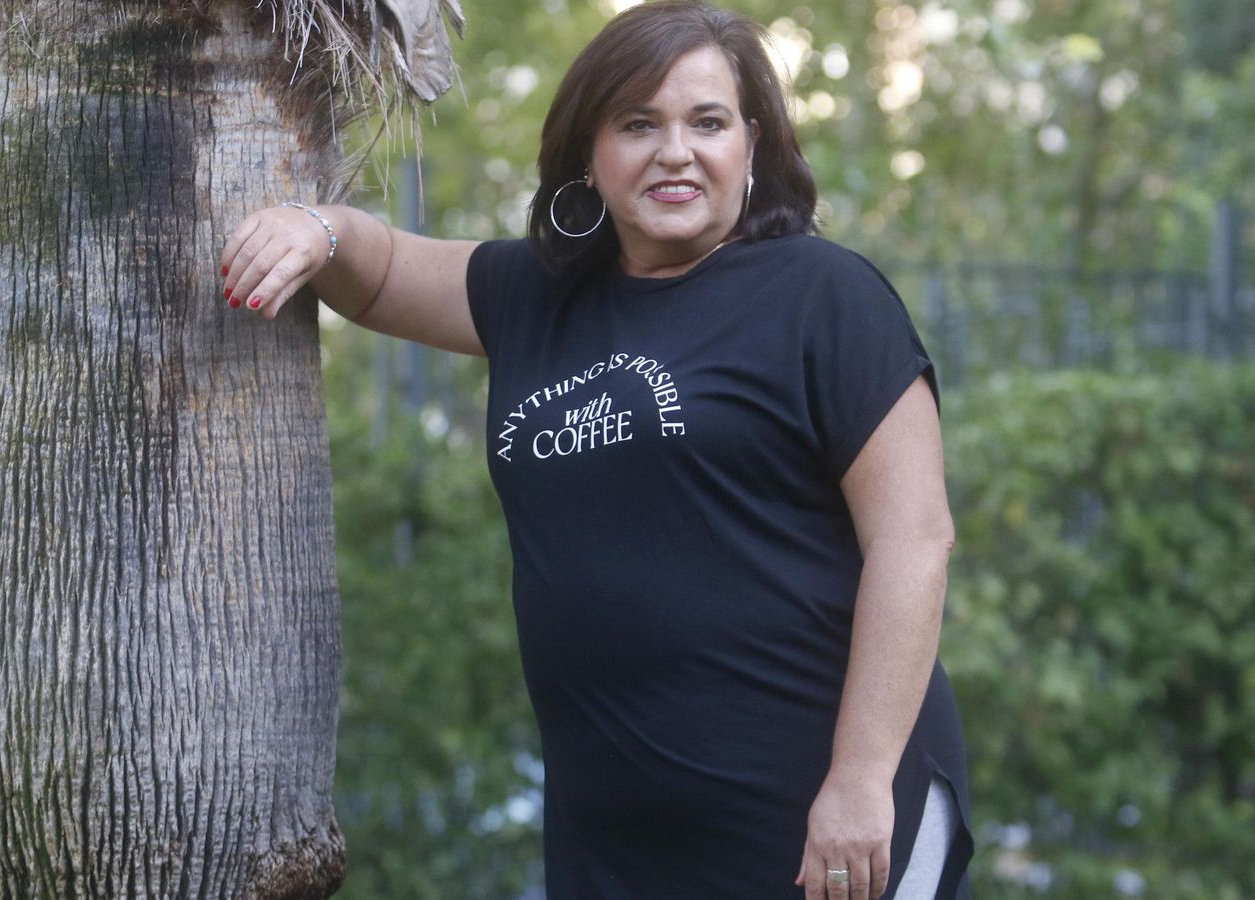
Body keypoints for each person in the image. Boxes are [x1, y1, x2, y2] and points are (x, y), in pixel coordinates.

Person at [217, 2, 973, 897]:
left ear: (752, 142)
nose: (675, 152)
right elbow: (378, 272)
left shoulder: (823, 295)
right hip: (616, 833)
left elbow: (915, 539)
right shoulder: (537, 295)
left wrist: (859, 785)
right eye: (637, 124)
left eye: (708, 122)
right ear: (591, 152)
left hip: (826, 821)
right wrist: (317, 228)